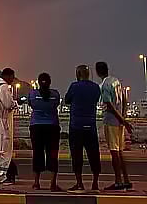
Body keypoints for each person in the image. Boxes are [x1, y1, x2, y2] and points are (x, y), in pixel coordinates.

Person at [95, 61, 133, 191]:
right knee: (120, 151)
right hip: (119, 122)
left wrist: (122, 120)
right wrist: (123, 118)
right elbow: (125, 99)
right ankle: (126, 180)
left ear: (97, 72)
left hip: (111, 121)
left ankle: (118, 181)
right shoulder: (116, 81)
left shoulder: (104, 84)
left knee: (114, 152)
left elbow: (109, 105)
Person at [64, 65, 102, 193]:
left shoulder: (74, 86)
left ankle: (79, 183)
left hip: (76, 126)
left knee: (77, 155)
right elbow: (97, 99)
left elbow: (67, 100)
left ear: (78, 74)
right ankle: (95, 183)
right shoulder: (95, 87)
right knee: (94, 154)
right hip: (91, 125)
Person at [28, 72, 62, 191]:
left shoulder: (33, 94)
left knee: (37, 153)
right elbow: (56, 104)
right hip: (52, 126)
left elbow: (31, 105)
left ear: (38, 82)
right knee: (52, 154)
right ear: (50, 82)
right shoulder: (55, 94)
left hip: (36, 127)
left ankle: (36, 183)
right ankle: (53, 183)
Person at [0, 67, 18, 185]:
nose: (13, 80)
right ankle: (0, 177)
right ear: (8, 76)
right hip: (2, 121)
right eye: (12, 77)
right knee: (4, 149)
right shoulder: (3, 86)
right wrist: (14, 104)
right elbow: (8, 104)